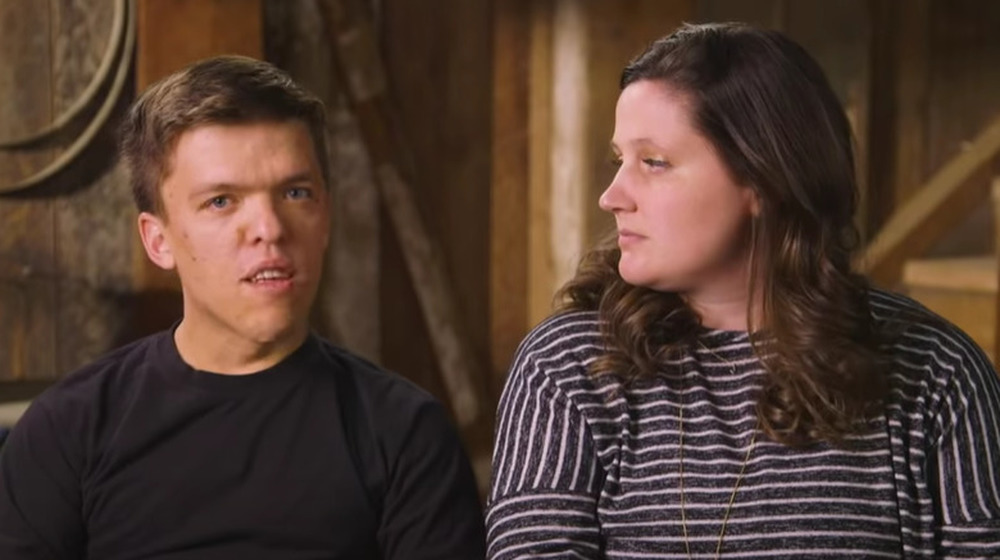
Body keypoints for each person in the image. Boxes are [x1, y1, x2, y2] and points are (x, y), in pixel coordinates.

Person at [486, 22, 1000, 559]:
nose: (612, 196)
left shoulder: (936, 372)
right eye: (620, 160)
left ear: (765, 179)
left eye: (654, 162)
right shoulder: (570, 367)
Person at [0, 55, 486, 559]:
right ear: (158, 240)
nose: (270, 228)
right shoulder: (68, 430)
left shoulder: (406, 435)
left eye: (296, 193)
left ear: (326, 216)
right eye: (222, 201)